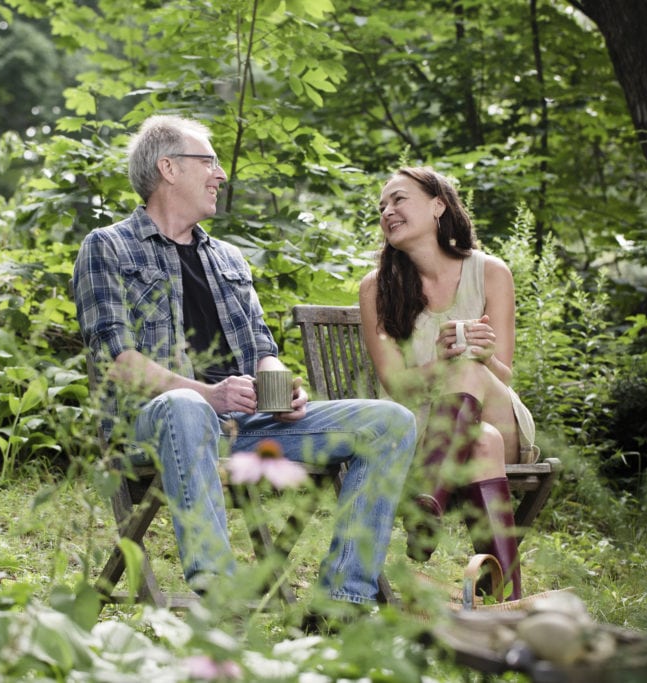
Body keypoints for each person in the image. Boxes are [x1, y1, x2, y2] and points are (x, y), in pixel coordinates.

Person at [72, 114, 418, 610]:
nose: (220, 174)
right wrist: (206, 394)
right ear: (168, 168)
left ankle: (344, 599)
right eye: (208, 161)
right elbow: (117, 362)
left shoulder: (229, 259)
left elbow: (261, 350)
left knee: (390, 422)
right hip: (152, 426)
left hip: (247, 425)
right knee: (186, 407)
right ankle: (222, 594)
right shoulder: (107, 247)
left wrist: (281, 389)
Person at [358, 166, 539, 601]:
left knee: (469, 371)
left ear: (439, 205)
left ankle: (427, 501)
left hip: (495, 406)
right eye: (382, 206)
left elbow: (505, 376)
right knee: (482, 443)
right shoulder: (375, 288)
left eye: (398, 199)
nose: (388, 211)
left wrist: (483, 356)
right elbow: (395, 384)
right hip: (420, 430)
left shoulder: (490, 272)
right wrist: (439, 363)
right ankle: (505, 600)